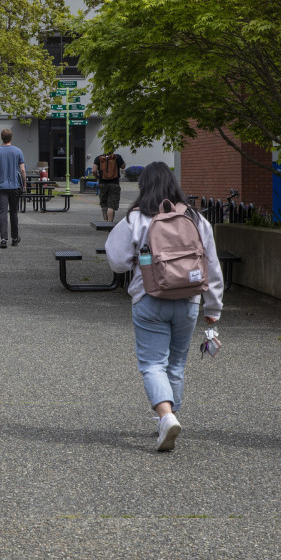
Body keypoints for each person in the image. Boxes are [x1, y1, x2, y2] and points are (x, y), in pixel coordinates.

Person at [106, 161, 223, 452]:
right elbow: (212, 264)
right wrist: (214, 308)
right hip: (189, 300)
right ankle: (170, 416)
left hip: (149, 298)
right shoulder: (196, 217)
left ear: (143, 186)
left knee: (152, 363)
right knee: (177, 363)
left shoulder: (136, 218)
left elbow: (117, 260)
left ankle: (166, 416)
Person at [0, 128, 27, 248]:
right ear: (11, 138)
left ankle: (3, 239)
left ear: (2, 138)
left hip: (1, 186)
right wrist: (24, 184)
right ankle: (15, 238)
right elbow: (23, 170)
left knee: (2, 212)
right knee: (14, 212)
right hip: (14, 186)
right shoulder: (18, 151)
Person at [91, 145, 127, 222]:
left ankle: (105, 222)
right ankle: (109, 224)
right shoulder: (117, 157)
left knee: (104, 204)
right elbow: (123, 166)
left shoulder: (99, 158)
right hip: (114, 184)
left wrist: (97, 177)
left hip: (102, 184)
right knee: (111, 205)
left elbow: (93, 171)